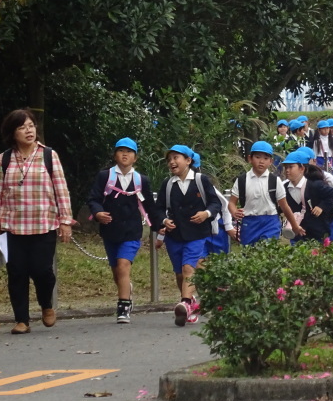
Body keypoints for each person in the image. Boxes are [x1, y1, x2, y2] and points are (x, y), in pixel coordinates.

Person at [0, 108, 74, 335]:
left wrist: (65, 221)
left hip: (43, 224)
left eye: (31, 126)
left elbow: (61, 190)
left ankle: (46, 305)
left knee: (42, 271)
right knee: (16, 273)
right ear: (12, 133)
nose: (28, 130)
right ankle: (21, 320)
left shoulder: (48, 155)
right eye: (22, 127)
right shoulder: (3, 159)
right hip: (13, 226)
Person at [87, 137, 159, 323]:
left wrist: (161, 226)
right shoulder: (105, 176)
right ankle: (127, 289)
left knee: (123, 265)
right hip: (110, 231)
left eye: (129, 151)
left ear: (135, 157)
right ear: (115, 155)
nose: (125, 154)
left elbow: (150, 206)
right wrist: (98, 213)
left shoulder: (142, 180)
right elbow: (93, 199)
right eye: (121, 150)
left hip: (132, 231)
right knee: (117, 272)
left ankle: (123, 307)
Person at [155, 144, 221, 327]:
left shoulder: (201, 180)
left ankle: (185, 303)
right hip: (174, 235)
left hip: (197, 234)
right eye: (169, 159)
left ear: (188, 160)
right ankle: (190, 304)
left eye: (176, 158)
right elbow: (158, 209)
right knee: (179, 273)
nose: (172, 162)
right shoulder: (168, 185)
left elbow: (215, 203)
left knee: (188, 269)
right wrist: (163, 221)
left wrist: (205, 214)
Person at [229, 141, 302, 245]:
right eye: (257, 157)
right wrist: (234, 212)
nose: (261, 161)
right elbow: (232, 202)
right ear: (250, 158)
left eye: (265, 158)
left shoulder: (275, 181)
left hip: (270, 222)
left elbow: (284, 206)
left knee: (267, 251)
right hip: (249, 223)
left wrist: (294, 226)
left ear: (271, 161)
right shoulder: (242, 180)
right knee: (249, 255)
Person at [281, 151, 333, 243]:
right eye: (286, 167)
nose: (287, 170)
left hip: (318, 233)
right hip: (298, 233)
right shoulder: (284, 188)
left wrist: (322, 206)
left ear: (302, 169)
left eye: (291, 167)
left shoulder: (314, 185)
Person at [191, 151, 235, 257]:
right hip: (195, 232)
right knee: (198, 262)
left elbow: (224, 205)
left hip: (216, 229)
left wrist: (228, 226)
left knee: (220, 262)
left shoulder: (204, 184)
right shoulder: (175, 186)